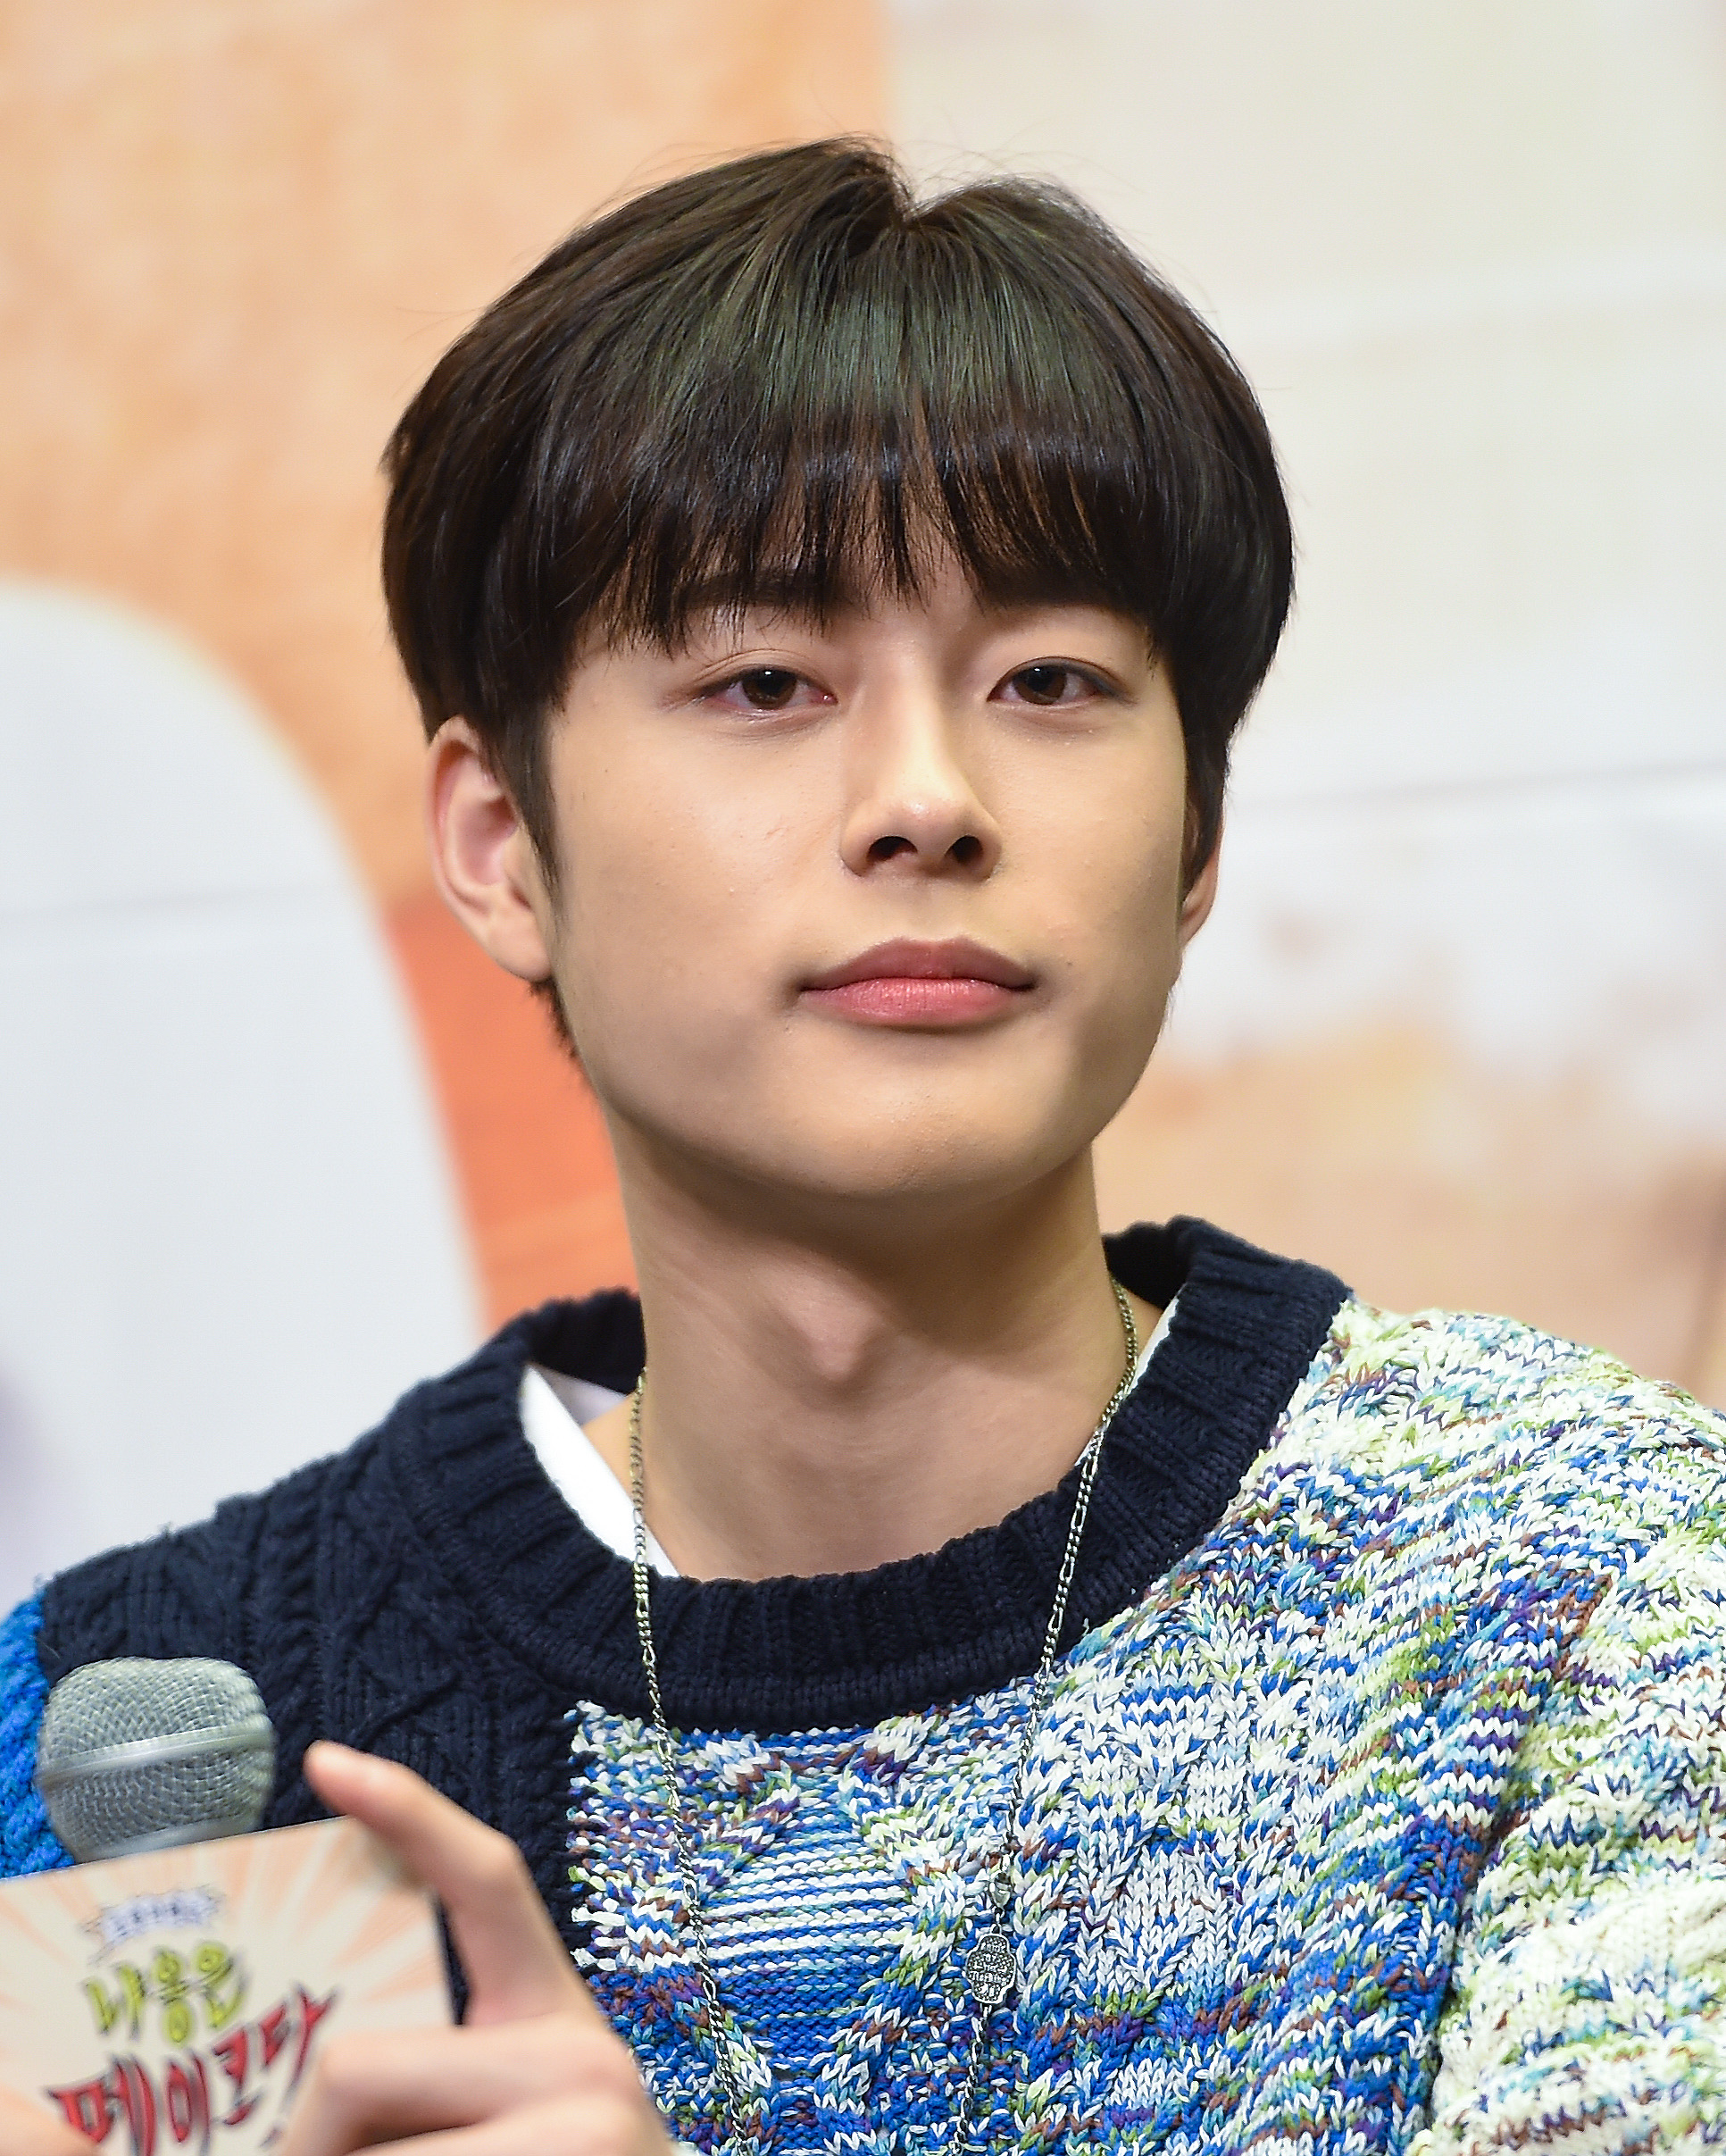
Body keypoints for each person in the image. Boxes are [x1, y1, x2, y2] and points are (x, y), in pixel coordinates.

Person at [4, 138, 1725, 2156]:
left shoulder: (1573, 1585)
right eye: (764, 680)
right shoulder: (153, 1725)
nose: (926, 796)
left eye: (1049, 681)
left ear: (1195, 835)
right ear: (500, 848)